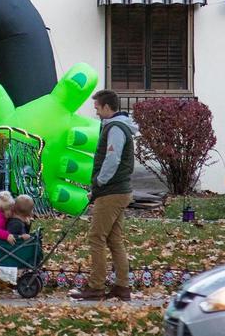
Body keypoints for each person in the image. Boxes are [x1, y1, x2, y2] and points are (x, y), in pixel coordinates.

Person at [72, 90, 138, 302]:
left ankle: (96, 286)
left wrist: (99, 182)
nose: (97, 113)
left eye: (98, 108)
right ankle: (122, 286)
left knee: (96, 237)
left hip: (111, 192)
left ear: (107, 107)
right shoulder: (119, 126)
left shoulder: (115, 128)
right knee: (114, 239)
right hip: (118, 191)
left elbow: (112, 159)